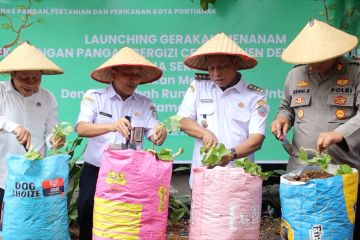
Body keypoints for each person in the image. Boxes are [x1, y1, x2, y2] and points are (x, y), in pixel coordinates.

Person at [270, 19, 360, 239]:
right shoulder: (295, 75)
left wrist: (339, 134)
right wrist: (282, 119)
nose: (314, 63)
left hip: (344, 169)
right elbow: (286, 108)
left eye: (320, 57)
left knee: (343, 227)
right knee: (303, 227)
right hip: (302, 171)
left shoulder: (355, 72)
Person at [75, 46, 167, 240]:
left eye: (137, 76)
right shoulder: (95, 97)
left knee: (124, 218)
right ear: (113, 74)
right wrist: (111, 126)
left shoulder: (145, 103)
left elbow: (154, 133)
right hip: (97, 169)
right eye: (127, 74)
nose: (133, 80)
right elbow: (81, 128)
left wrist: (160, 133)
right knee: (86, 207)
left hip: (131, 174)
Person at [177, 32, 269, 186]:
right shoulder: (198, 86)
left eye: (222, 67)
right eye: (211, 68)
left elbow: (256, 141)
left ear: (235, 64)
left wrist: (230, 155)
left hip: (240, 180)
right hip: (204, 177)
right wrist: (205, 132)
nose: (216, 73)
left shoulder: (255, 96)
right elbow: (182, 120)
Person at [0, 41, 65, 219]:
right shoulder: (1, 91)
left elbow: (50, 131)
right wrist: (13, 126)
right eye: (24, 78)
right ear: (13, 74)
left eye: (36, 78)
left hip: (34, 174)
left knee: (29, 224)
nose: (31, 83)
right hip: (2, 172)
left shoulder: (48, 97)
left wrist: (54, 140)